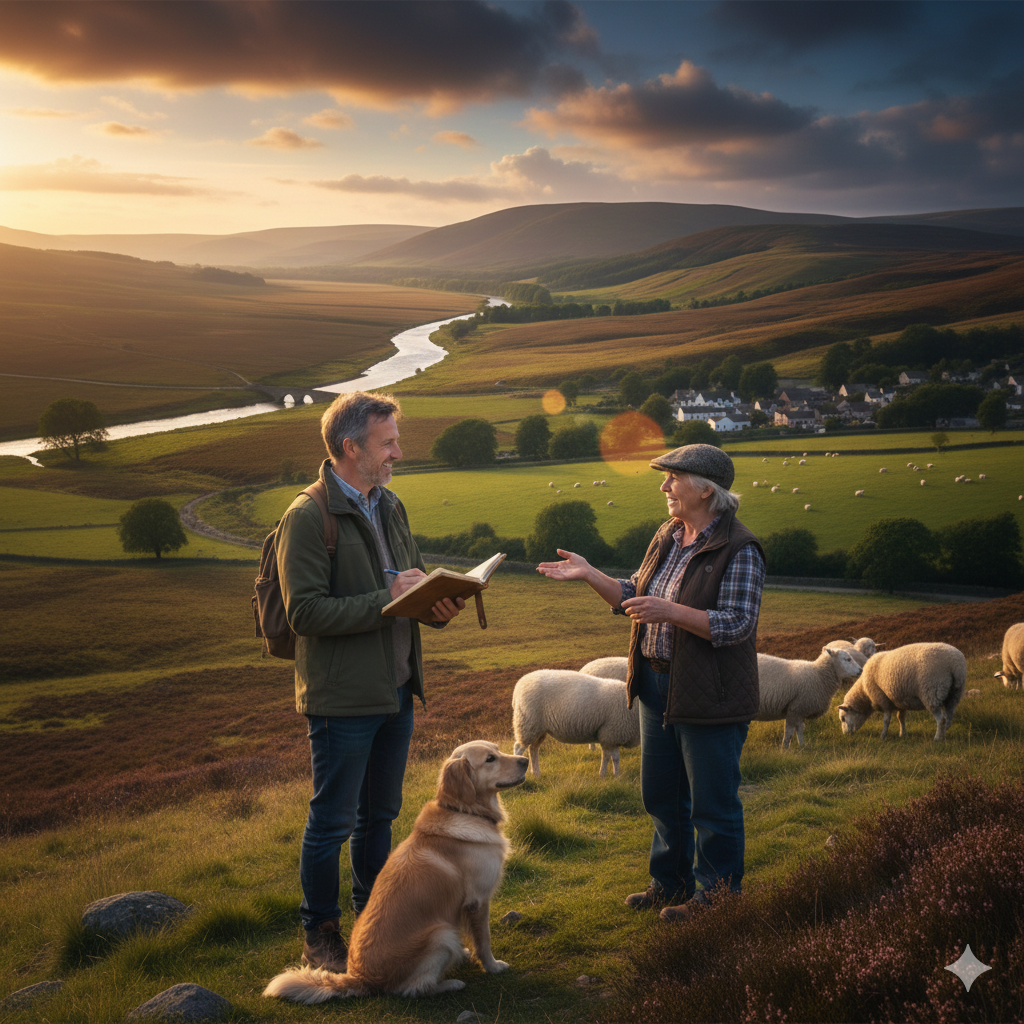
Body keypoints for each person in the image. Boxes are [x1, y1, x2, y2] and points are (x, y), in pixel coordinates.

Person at [275, 390, 465, 969]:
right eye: (388, 443)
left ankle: (372, 918)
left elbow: (407, 585)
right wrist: (387, 598)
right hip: (342, 698)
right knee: (332, 820)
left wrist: (435, 603)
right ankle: (320, 932)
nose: (398, 453)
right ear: (350, 446)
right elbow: (303, 613)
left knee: (378, 816)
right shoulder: (307, 518)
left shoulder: (390, 504)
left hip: (396, 688)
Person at [537, 443, 764, 922]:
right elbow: (631, 597)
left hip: (710, 692)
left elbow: (737, 624)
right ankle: (670, 884)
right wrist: (588, 573)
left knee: (712, 803)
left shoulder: (739, 548)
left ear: (706, 489)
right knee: (661, 795)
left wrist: (671, 612)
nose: (664, 487)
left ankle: (717, 899)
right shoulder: (669, 534)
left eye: (672, 479)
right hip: (656, 686)